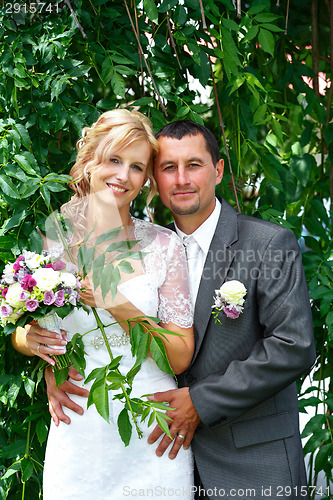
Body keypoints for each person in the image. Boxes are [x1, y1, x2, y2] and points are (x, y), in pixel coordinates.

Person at [40, 120, 316, 500]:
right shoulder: (156, 242)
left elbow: (293, 345)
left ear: (217, 171)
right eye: (169, 168)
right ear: (155, 180)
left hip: (250, 461)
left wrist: (201, 402)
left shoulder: (266, 243)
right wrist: (48, 361)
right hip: (154, 448)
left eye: (195, 165)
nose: (182, 179)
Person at [12, 110, 195, 500]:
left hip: (151, 430)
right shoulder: (55, 236)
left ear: (146, 178)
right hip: (79, 427)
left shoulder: (164, 246)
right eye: (114, 159)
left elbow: (180, 357)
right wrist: (32, 344)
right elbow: (26, 324)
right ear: (91, 159)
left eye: (136, 167)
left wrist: (118, 304)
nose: (123, 176)